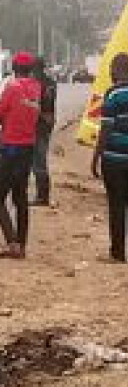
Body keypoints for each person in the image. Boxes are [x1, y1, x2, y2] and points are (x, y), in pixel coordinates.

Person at [92, 52, 128, 263]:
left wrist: (96, 156)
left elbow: (106, 128)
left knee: (117, 205)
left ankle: (118, 253)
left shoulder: (113, 93)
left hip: (115, 157)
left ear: (117, 68)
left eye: (112, 68)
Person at [0, 51, 42, 259]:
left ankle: (12, 242)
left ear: (14, 68)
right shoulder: (36, 88)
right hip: (28, 147)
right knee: (20, 197)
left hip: (10, 147)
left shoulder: (12, 88)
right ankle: (21, 244)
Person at [30, 57, 57, 206]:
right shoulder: (51, 83)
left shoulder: (37, 84)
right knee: (40, 160)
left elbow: (38, 106)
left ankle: (42, 196)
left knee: (38, 162)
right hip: (47, 124)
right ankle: (43, 194)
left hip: (40, 125)